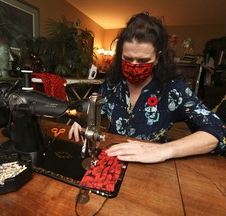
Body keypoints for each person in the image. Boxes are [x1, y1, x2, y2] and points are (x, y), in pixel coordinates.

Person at [68, 13, 226, 163]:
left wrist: (165, 150)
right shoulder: (112, 84)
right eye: (128, 58)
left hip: (152, 171)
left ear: (157, 57)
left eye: (143, 60)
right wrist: (83, 120)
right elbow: (94, 113)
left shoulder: (173, 89)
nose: (134, 65)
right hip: (113, 159)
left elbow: (218, 132)